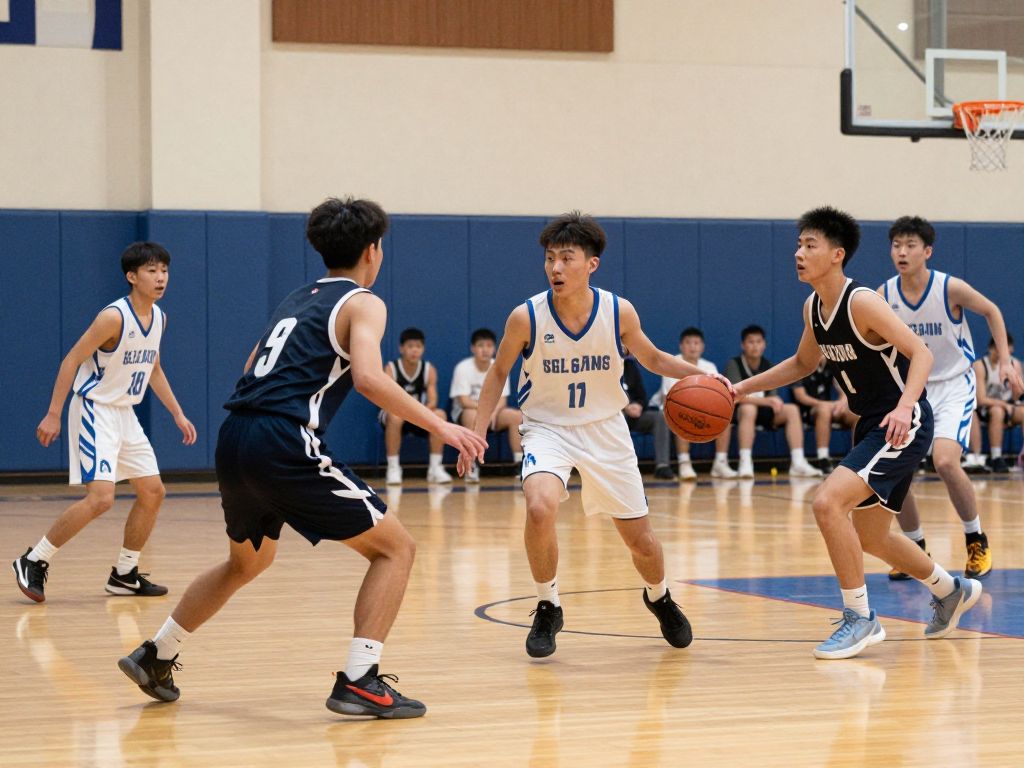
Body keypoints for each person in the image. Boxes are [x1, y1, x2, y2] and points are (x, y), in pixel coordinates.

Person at [117, 198, 487, 718]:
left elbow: (251, 365)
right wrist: (440, 424)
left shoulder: (297, 298)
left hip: (237, 433)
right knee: (396, 550)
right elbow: (367, 377)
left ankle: (157, 653)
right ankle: (360, 679)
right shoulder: (363, 302)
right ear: (372, 251)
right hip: (283, 438)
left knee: (247, 561)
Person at [466, 211, 733, 658]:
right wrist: (476, 433)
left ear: (591, 264)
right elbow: (497, 374)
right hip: (548, 429)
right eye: (550, 258)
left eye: (566, 258)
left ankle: (659, 596)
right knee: (538, 507)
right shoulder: (526, 316)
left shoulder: (617, 310)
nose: (555, 268)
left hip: (606, 430)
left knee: (642, 543)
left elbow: (654, 359)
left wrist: (707, 379)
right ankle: (548, 604)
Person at [733, 205, 982, 660]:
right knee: (872, 537)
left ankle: (860, 618)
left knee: (827, 503)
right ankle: (951, 590)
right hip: (873, 424)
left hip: (902, 423)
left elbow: (920, 353)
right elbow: (803, 363)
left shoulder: (862, 301)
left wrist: (907, 406)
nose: (799, 253)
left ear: (836, 254)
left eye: (810, 245)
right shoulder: (815, 307)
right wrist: (740, 389)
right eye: (799, 244)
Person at [12, 242, 197, 604]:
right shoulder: (113, 317)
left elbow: (153, 368)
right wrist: (53, 412)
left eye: (164, 271)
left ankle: (124, 574)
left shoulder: (159, 317)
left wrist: (177, 412)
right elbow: (71, 359)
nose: (160, 278)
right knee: (100, 499)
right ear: (132, 277)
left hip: (125, 413)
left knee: (153, 491)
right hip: (95, 409)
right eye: (151, 271)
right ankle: (34, 559)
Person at [880, 215, 1023, 580]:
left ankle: (976, 539)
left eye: (911, 245)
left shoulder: (948, 288)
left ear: (926, 251)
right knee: (897, 474)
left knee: (945, 461)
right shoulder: (885, 295)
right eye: (897, 245)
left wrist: (1005, 362)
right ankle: (915, 547)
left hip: (954, 385)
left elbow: (991, 310)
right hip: (912, 388)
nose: (902, 251)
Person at [725, 325, 822, 478]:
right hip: (741, 412)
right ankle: (745, 461)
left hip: (764, 411)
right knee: (748, 409)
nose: (755, 346)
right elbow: (734, 395)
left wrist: (771, 402)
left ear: (764, 344)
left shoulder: (767, 365)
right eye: (751, 342)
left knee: (791, 410)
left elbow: (773, 398)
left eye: (758, 342)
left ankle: (798, 462)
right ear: (743, 345)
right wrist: (767, 402)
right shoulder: (734, 364)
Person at [654, 327, 736, 480]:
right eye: (688, 343)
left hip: (702, 407)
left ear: (702, 347)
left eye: (696, 343)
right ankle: (684, 463)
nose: (692, 346)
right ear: (681, 346)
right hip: (669, 409)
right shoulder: (673, 363)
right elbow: (669, 398)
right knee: (684, 411)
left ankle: (721, 462)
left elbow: (717, 396)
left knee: (723, 414)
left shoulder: (709, 366)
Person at [379, 327, 453, 485]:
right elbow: (387, 398)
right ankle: (393, 468)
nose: (414, 350)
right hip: (394, 413)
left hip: (419, 414)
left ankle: (435, 467)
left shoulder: (429, 369)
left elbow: (433, 400)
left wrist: (419, 413)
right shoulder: (391, 368)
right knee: (395, 416)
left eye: (418, 346)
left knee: (440, 415)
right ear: (401, 348)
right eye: (410, 346)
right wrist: (408, 412)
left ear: (423, 349)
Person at [450, 328, 523, 481]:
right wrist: (485, 413)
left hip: (494, 412)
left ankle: (520, 464)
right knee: (472, 415)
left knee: (515, 416)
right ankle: (471, 464)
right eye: (481, 345)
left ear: (495, 348)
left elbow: (502, 400)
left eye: (489, 346)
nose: (485, 350)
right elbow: (463, 400)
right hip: (467, 412)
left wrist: (492, 413)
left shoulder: (499, 367)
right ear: (473, 348)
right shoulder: (463, 368)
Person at [790, 360, 858, 474]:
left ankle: (857, 455)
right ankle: (823, 458)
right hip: (810, 410)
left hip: (830, 407)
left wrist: (840, 403)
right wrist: (822, 404)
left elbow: (845, 391)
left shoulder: (832, 364)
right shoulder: (801, 365)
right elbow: (801, 396)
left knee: (855, 414)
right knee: (824, 411)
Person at [971, 335, 1024, 474]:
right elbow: (981, 399)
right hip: (986, 409)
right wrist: (1003, 404)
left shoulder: (1014, 364)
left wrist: (1017, 385)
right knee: (997, 411)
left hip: (1009, 406)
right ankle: (996, 457)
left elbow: (1017, 396)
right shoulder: (980, 365)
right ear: (992, 349)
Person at [620, 349, 674, 478]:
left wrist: (639, 405)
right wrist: (625, 407)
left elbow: (641, 396)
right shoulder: (603, 366)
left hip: (633, 416)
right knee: (620, 416)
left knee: (660, 417)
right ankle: (620, 468)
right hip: (614, 415)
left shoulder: (630, 365)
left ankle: (662, 466)